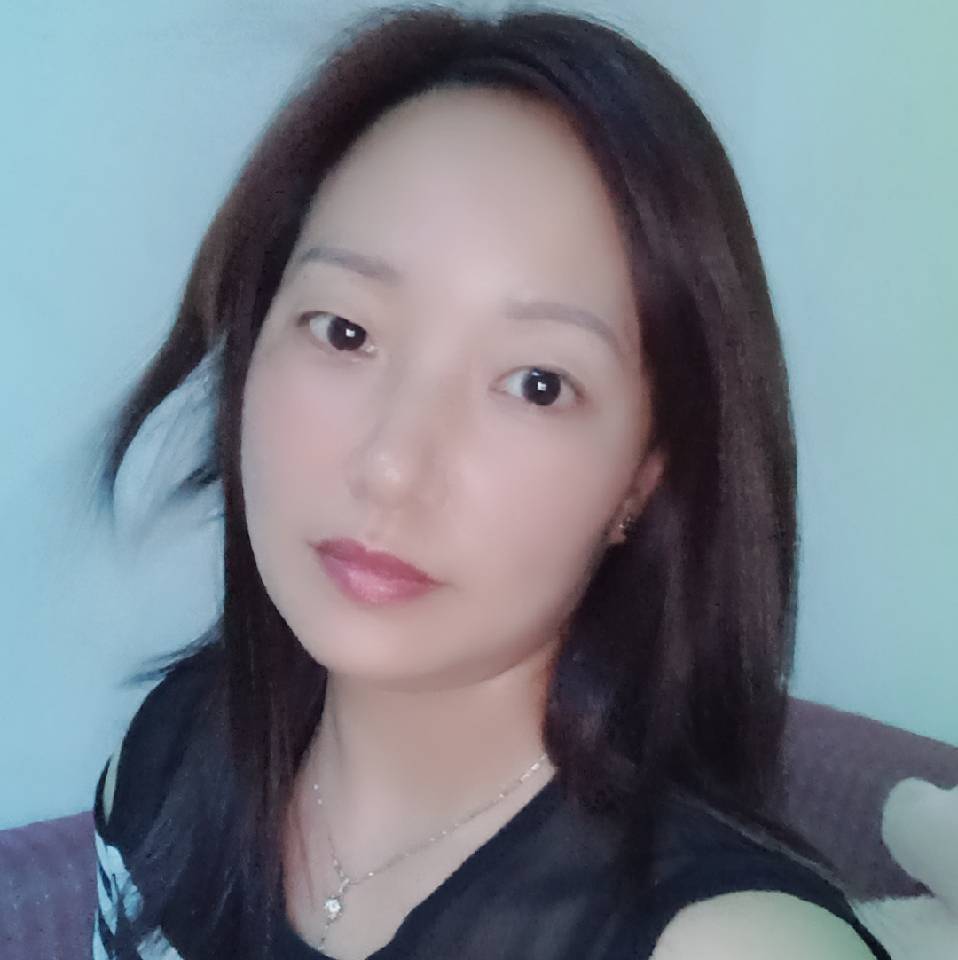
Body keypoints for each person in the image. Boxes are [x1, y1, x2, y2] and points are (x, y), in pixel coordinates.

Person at [91, 5, 891, 959]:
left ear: (643, 478)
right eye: (345, 331)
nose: (392, 465)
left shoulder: (733, 944)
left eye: (537, 384)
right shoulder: (168, 757)